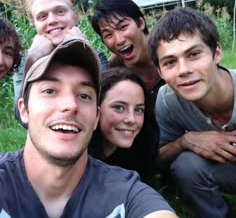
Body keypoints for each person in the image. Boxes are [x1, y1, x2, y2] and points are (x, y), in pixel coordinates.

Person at [0, 37, 178, 218]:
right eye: (50, 91)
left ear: (96, 117)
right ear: (23, 110)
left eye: (84, 95)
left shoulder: (126, 193)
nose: (70, 105)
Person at [148, 7, 236, 218]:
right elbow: (159, 158)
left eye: (194, 54)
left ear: (216, 53)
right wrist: (185, 141)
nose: (184, 70)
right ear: (160, 72)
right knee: (186, 164)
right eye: (170, 62)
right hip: (226, 170)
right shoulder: (168, 101)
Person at [13, 0, 108, 122]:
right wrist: (33, 60)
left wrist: (84, 50)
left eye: (60, 11)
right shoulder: (25, 62)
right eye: (42, 16)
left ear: (75, 16)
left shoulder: (97, 56)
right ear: (33, 23)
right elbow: (21, 116)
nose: (52, 20)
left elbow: (104, 111)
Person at [91, 0, 165, 108]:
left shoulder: (172, 53)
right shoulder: (112, 72)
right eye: (108, 35)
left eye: (123, 27)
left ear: (141, 23)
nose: (119, 40)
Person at [89, 67, 159, 183]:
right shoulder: (74, 159)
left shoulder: (138, 154)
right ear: (96, 109)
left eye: (138, 110)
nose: (131, 119)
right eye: (119, 108)